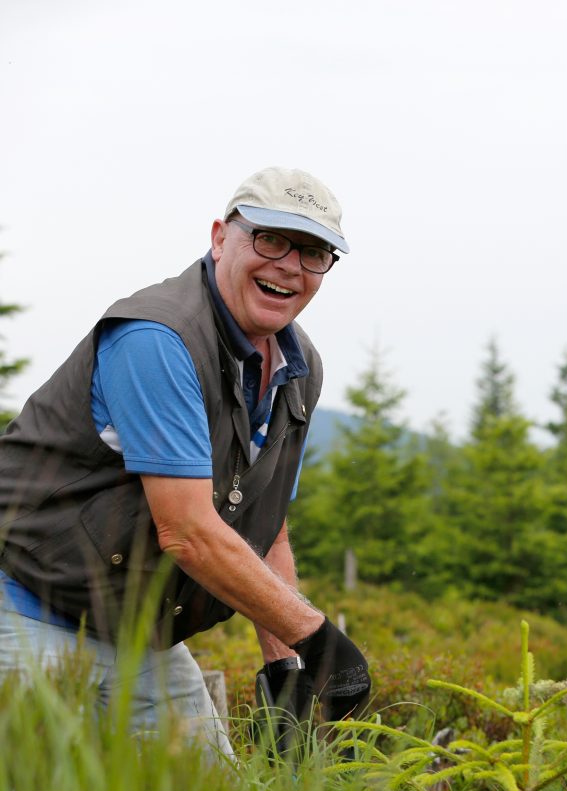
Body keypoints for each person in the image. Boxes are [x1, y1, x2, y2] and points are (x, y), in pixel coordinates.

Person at [0, 167, 371, 756]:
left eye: (314, 252)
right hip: (27, 614)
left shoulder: (299, 369)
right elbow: (188, 530)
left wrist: (288, 667)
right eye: (270, 239)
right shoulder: (157, 338)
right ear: (221, 237)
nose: (289, 265)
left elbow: (265, 526)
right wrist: (320, 638)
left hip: (142, 639)